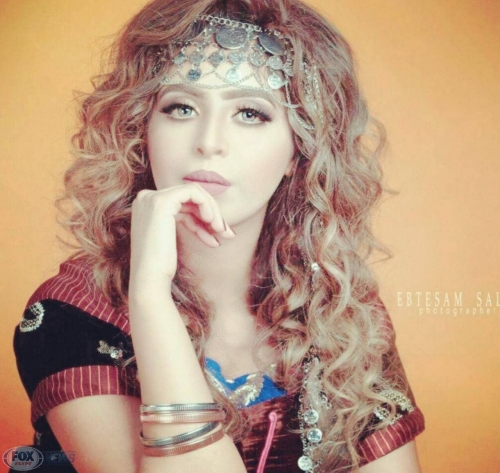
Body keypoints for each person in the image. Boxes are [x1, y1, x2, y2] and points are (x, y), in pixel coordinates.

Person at [13, 0, 425, 471]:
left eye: (250, 113)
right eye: (181, 107)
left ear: (299, 150)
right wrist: (149, 298)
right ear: (141, 130)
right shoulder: (71, 316)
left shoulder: (340, 310)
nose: (208, 141)